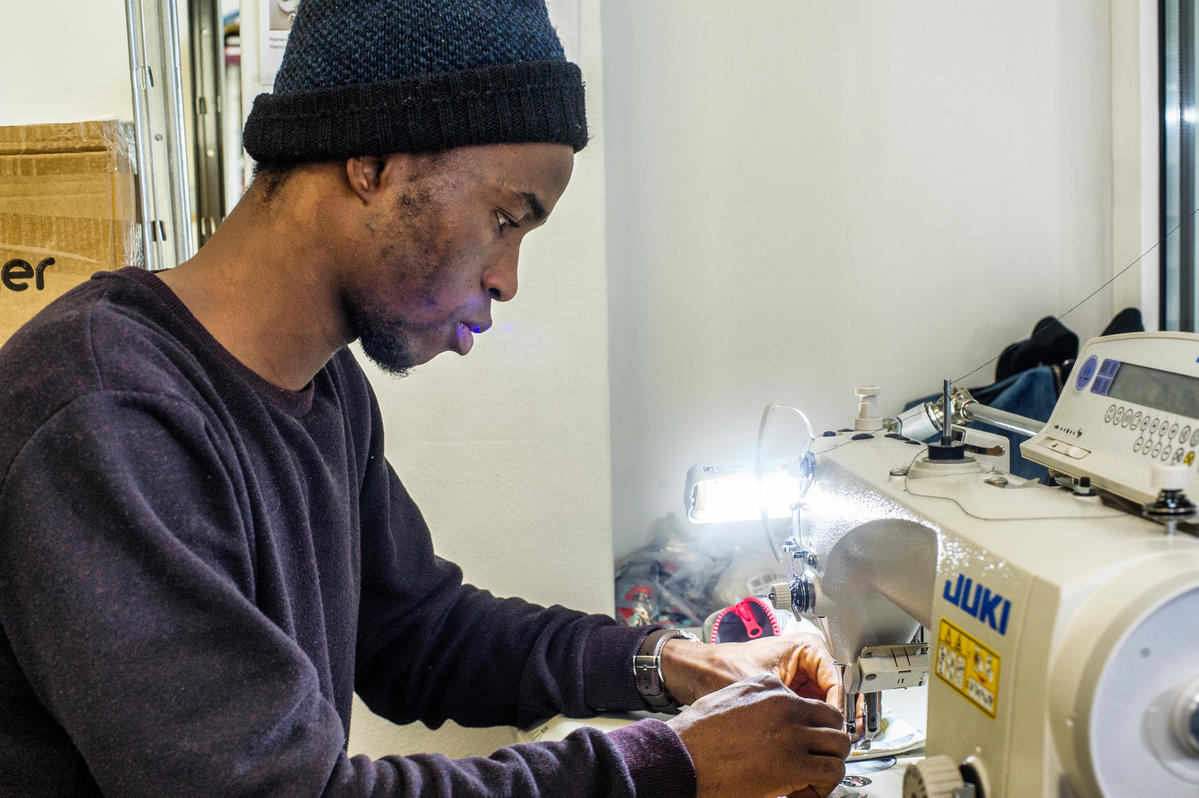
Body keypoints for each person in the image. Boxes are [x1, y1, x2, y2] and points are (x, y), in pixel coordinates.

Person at [0, 1, 852, 796]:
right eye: (505, 219)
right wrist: (671, 764)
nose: (507, 280)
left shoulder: (323, 388)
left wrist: (670, 663)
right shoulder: (106, 413)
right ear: (372, 160)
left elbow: (419, 632)